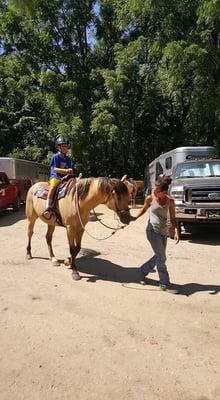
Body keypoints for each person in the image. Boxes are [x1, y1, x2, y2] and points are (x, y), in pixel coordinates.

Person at [134, 179, 180, 291]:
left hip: (163, 233)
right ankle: (164, 283)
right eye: (154, 188)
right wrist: (134, 217)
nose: (154, 191)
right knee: (161, 257)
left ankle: (142, 272)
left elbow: (173, 218)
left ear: (164, 191)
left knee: (159, 256)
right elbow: (143, 209)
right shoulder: (150, 198)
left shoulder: (170, 201)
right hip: (152, 231)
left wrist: (177, 231)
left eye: (157, 190)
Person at [43, 136, 73, 218]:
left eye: (66, 146)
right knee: (53, 187)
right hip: (56, 177)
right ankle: (47, 207)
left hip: (65, 178)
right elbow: (55, 169)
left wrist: (71, 172)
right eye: (63, 146)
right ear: (58, 147)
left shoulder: (68, 159)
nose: (65, 148)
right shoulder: (55, 157)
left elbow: (70, 169)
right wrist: (66, 171)